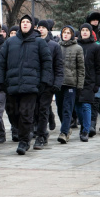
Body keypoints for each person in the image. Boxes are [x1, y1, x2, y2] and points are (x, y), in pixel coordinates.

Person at [0, 15, 52, 155]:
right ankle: (25, 133)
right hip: (12, 85)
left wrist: (44, 81)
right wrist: (1, 81)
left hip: (31, 86)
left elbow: (47, 63)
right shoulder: (10, 42)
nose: (25, 24)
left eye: (28, 22)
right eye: (23, 22)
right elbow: (1, 63)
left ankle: (24, 141)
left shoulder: (39, 42)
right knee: (13, 113)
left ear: (32, 25)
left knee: (26, 114)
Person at [32, 20, 64, 149]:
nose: (41, 29)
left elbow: (58, 66)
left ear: (48, 30)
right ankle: (40, 130)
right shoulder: (32, 44)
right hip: (33, 82)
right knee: (34, 109)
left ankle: (41, 135)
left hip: (48, 83)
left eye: (43, 27)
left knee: (43, 109)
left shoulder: (54, 46)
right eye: (39, 27)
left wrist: (57, 83)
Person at [75, 23, 100, 142]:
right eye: (83, 30)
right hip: (76, 81)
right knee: (77, 107)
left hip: (89, 81)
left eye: (87, 30)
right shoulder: (76, 45)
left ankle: (85, 130)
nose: (85, 32)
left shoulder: (95, 47)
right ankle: (83, 125)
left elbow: (99, 67)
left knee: (86, 106)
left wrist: (98, 83)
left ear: (91, 32)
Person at [56, 26, 84, 144]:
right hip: (58, 83)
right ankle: (66, 128)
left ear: (72, 35)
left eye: (68, 33)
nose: (66, 35)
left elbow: (81, 68)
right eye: (64, 33)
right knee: (59, 108)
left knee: (67, 108)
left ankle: (64, 132)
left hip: (71, 83)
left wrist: (80, 85)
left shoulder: (77, 48)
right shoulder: (57, 47)